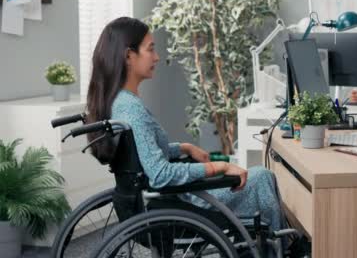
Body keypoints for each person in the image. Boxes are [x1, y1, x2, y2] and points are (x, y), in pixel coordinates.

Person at [86, 17, 285, 235]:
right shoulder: (131, 108)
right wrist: (218, 167)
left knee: (257, 177)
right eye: (150, 49)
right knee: (262, 177)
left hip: (162, 200)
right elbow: (160, 173)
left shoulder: (120, 101)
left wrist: (183, 147)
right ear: (128, 56)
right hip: (180, 204)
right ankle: (278, 245)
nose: (157, 57)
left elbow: (142, 153)